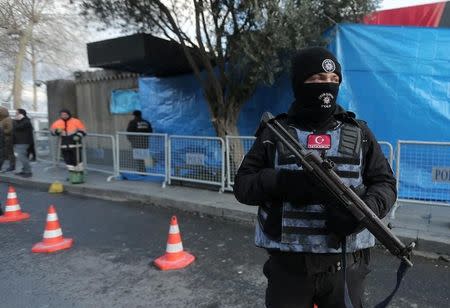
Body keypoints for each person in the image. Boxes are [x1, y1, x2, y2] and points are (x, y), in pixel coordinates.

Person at [233, 47, 396, 308]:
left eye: (334, 81)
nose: (327, 87)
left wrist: (363, 212)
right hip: (289, 268)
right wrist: (285, 183)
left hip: (345, 266)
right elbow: (243, 186)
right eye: (318, 79)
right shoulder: (275, 133)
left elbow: (385, 183)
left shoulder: (360, 133)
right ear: (300, 82)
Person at [50, 109, 86, 176]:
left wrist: (78, 135)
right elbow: (52, 132)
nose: (64, 116)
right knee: (68, 161)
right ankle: (72, 174)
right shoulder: (57, 123)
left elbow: (83, 131)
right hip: (64, 145)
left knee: (78, 161)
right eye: (62, 115)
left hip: (75, 144)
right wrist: (57, 131)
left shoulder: (76, 121)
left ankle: (80, 174)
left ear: (69, 114)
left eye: (65, 114)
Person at [13, 109, 34, 177]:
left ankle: (28, 172)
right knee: (21, 157)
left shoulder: (26, 121)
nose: (15, 115)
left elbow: (18, 127)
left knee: (22, 157)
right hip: (19, 142)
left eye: (17, 113)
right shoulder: (22, 121)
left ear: (21, 114)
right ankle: (24, 170)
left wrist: (15, 121)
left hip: (23, 142)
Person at [0, 107, 15, 172]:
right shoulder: (2, 120)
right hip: (3, 139)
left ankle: (12, 166)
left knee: (9, 153)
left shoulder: (8, 119)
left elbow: (10, 129)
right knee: (5, 154)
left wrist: (2, 132)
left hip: (7, 139)